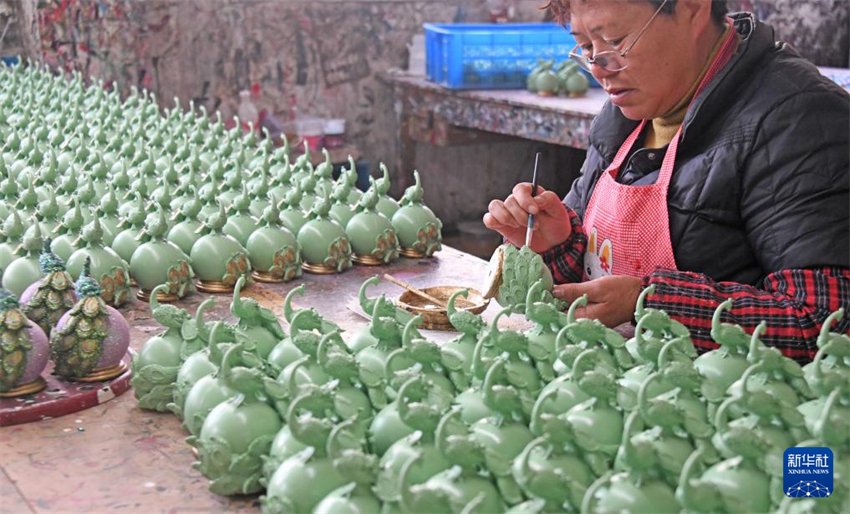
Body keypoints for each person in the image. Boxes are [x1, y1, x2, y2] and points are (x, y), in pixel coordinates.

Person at [484, 0, 849, 361]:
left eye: (614, 40)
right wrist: (558, 245)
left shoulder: (799, 120)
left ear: (692, 7)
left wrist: (649, 303)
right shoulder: (627, 113)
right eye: (585, 47)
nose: (598, 67)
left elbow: (825, 324)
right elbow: (591, 278)